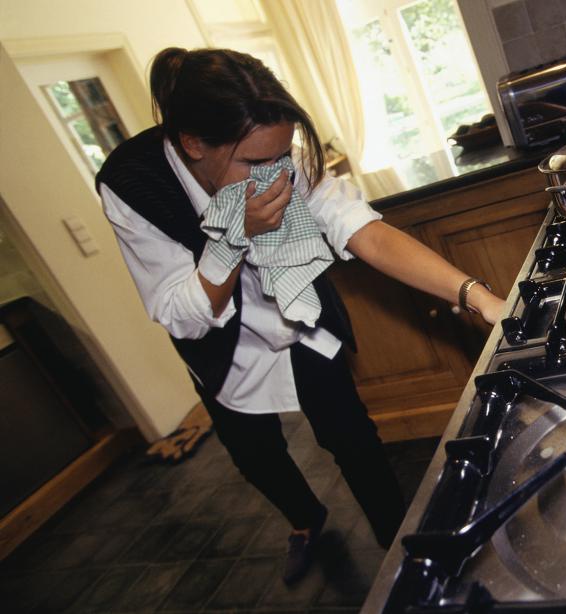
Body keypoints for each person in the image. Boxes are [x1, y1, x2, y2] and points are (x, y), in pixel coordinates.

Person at [96, 47, 505, 583]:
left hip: (300, 319)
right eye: (254, 164)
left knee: (353, 440)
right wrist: (233, 237)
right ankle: (305, 520)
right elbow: (183, 315)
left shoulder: (274, 148)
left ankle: (399, 548)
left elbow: (364, 231)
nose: (274, 177)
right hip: (222, 347)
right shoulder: (130, 184)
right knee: (256, 457)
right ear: (194, 145)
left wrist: (477, 296)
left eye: (281, 156)